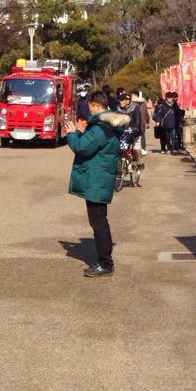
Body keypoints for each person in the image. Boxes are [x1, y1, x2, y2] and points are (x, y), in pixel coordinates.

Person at [64, 90, 129, 278]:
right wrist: (83, 132)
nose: (89, 110)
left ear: (96, 106)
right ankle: (103, 260)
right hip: (100, 177)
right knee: (99, 220)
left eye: (90, 107)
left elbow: (82, 147)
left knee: (98, 222)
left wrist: (71, 133)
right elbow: (93, 143)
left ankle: (105, 263)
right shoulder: (108, 124)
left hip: (97, 179)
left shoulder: (100, 127)